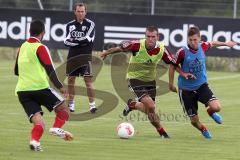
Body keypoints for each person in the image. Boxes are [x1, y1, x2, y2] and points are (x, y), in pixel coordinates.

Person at [100, 26, 183, 138]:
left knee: (150, 110)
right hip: (135, 79)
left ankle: (133, 105)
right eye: (148, 36)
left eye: (153, 37)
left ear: (157, 37)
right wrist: (107, 52)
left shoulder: (162, 49)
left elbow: (173, 63)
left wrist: (183, 74)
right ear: (145, 36)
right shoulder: (137, 45)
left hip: (150, 81)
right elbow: (120, 48)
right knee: (151, 106)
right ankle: (162, 132)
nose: (150, 39)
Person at [14, 20, 73, 152]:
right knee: (64, 109)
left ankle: (34, 142)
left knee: (39, 123)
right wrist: (60, 86)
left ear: (29, 31)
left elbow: (16, 71)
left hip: (22, 91)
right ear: (43, 33)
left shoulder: (22, 47)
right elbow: (50, 69)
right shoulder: (40, 47)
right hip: (40, 88)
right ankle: (56, 128)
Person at [168, 26, 237, 139]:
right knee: (194, 121)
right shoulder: (182, 52)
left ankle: (211, 112)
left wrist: (225, 43)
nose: (193, 42)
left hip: (201, 86)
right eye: (190, 40)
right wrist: (178, 78)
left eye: (195, 40)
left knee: (217, 107)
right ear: (187, 39)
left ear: (199, 39)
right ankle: (203, 129)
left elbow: (212, 43)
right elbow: (172, 66)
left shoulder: (203, 46)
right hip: (185, 90)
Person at [64, 2, 97, 113]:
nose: (80, 13)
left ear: (85, 12)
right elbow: (66, 41)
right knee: (71, 80)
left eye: (82, 11)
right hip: (72, 57)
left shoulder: (91, 24)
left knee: (88, 81)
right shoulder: (69, 25)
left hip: (85, 57)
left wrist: (75, 41)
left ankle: (92, 105)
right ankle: (71, 104)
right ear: (75, 12)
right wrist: (80, 43)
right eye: (78, 11)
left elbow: (88, 39)